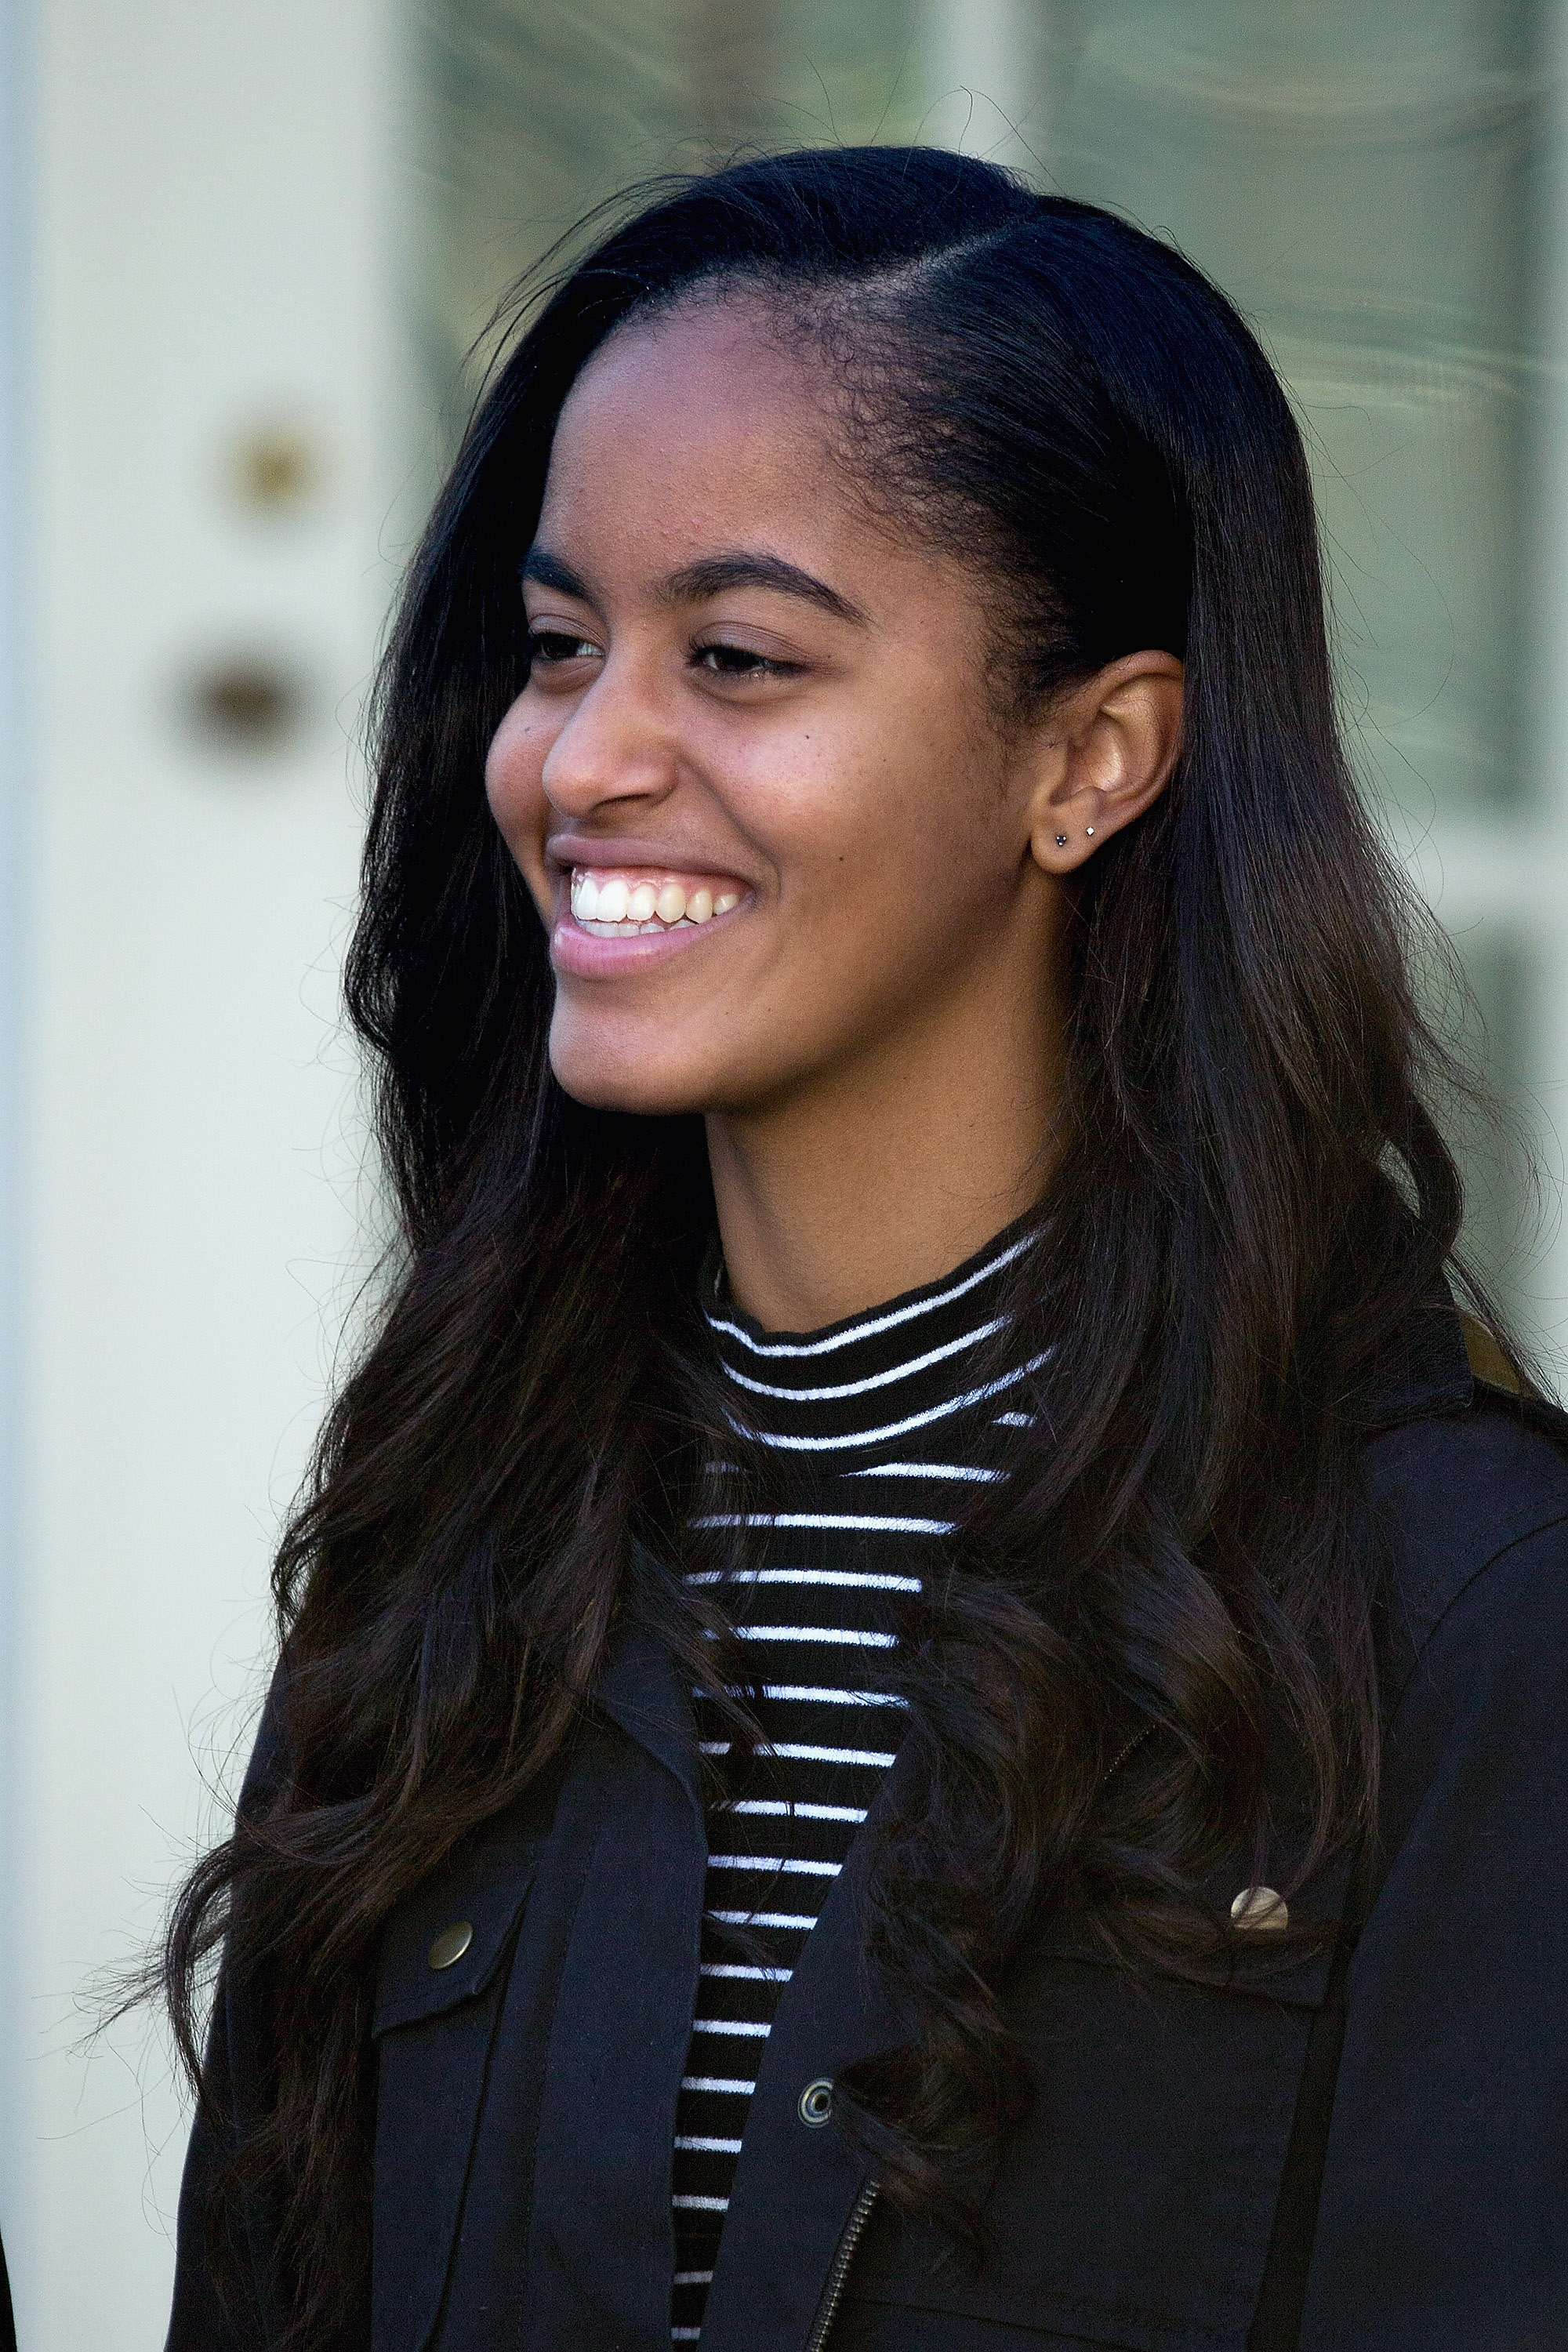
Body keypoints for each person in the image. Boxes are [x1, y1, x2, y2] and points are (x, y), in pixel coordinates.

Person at [163, 147, 1568, 2352]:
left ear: (1090, 758)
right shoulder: (458, 1540)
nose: (580, 757)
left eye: (733, 656)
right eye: (556, 646)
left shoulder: (1463, 1615)